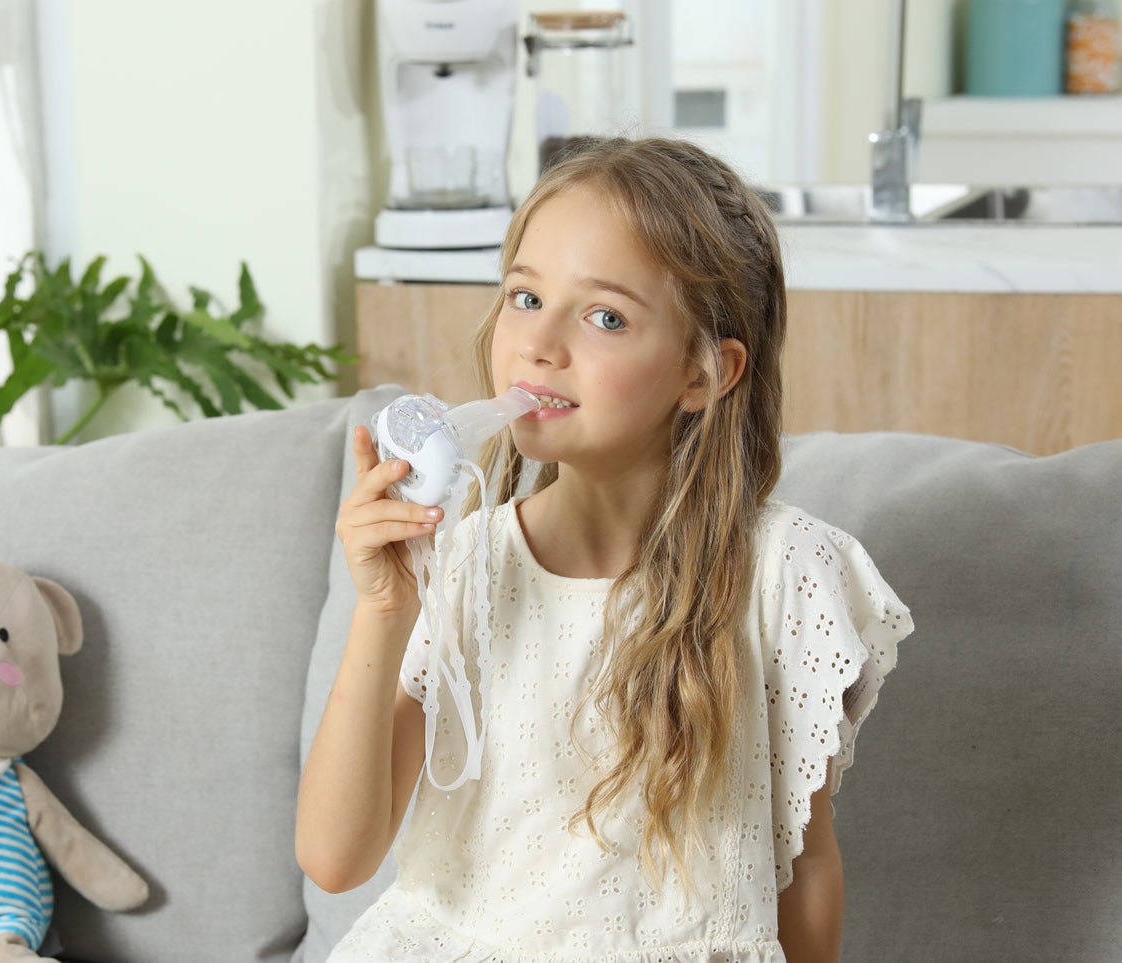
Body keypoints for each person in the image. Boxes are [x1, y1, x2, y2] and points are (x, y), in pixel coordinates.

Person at [296, 137, 914, 963]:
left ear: (703, 374)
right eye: (523, 297)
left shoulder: (785, 573)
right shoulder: (468, 561)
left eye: (604, 316)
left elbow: (801, 862)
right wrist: (383, 609)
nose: (540, 343)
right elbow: (337, 859)